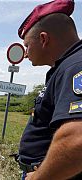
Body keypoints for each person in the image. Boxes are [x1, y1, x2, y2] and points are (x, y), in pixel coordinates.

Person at [17, 0, 82, 179]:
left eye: (27, 46)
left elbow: (77, 139)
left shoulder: (75, 66)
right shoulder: (65, 66)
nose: (25, 54)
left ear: (44, 39)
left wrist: (39, 177)